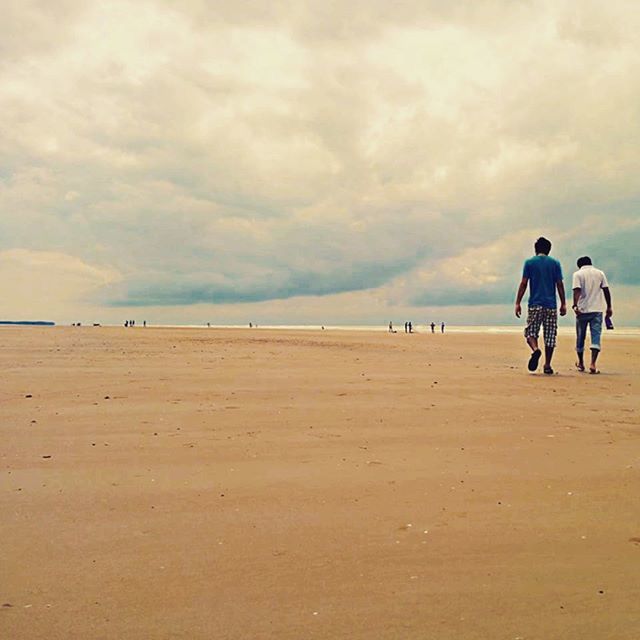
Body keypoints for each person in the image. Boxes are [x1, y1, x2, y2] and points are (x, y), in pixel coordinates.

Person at [515, 237, 567, 374]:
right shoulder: (555, 263)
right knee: (550, 335)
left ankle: (536, 350)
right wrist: (563, 303)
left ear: (536, 249)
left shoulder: (530, 263)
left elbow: (524, 283)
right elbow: (559, 284)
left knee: (531, 332)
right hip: (551, 305)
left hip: (535, 303)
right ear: (549, 250)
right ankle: (547, 365)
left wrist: (518, 302)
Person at [572, 256, 613, 374]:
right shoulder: (600, 273)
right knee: (596, 337)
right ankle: (593, 363)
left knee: (580, 337)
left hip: (582, 310)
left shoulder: (578, 274)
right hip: (597, 310)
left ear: (579, 265)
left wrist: (575, 305)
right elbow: (606, 290)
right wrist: (609, 306)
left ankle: (581, 363)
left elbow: (577, 290)